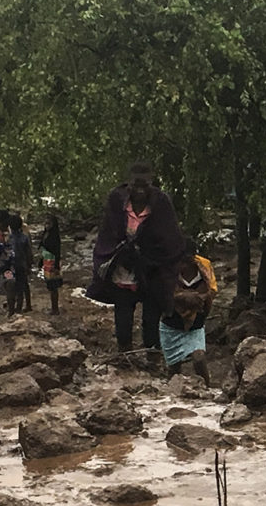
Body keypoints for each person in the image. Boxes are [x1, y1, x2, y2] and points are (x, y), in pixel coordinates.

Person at [86, 162, 188, 360]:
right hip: (124, 272)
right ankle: (125, 358)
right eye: (135, 184)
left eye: (145, 184)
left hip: (153, 272)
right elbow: (107, 233)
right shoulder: (116, 200)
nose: (140, 189)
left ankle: (153, 361)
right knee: (123, 321)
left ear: (152, 183)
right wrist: (120, 253)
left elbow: (172, 239)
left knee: (151, 322)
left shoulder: (162, 203)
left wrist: (149, 257)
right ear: (128, 184)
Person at [160, 237, 217, 382]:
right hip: (171, 323)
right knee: (174, 368)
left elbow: (212, 291)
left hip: (196, 324)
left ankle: (206, 388)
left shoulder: (204, 267)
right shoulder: (168, 267)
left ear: (192, 258)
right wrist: (184, 298)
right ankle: (173, 395)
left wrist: (198, 302)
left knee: (199, 357)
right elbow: (162, 293)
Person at [7, 213, 33, 315]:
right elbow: (29, 253)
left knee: (10, 288)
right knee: (21, 289)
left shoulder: (8, 238)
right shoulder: (24, 237)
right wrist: (29, 265)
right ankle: (18, 310)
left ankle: (11, 311)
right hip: (22, 266)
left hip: (10, 267)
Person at [39, 216, 64, 315]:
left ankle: (55, 309)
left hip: (52, 262)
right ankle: (53, 307)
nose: (47, 225)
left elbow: (57, 252)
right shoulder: (45, 233)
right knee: (49, 285)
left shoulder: (55, 236)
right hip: (46, 261)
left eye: (49, 223)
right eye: (46, 223)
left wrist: (57, 266)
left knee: (53, 286)